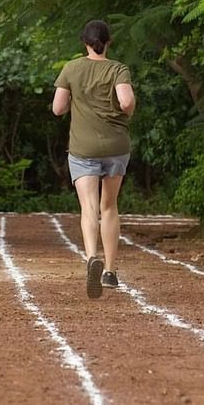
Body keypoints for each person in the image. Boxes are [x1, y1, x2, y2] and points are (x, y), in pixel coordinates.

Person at [52, 20, 135, 299]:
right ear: (108, 42)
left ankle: (91, 258)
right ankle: (110, 272)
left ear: (84, 42)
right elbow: (125, 102)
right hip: (116, 145)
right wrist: (129, 110)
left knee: (89, 208)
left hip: (83, 147)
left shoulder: (71, 68)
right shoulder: (118, 69)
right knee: (109, 206)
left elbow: (57, 108)